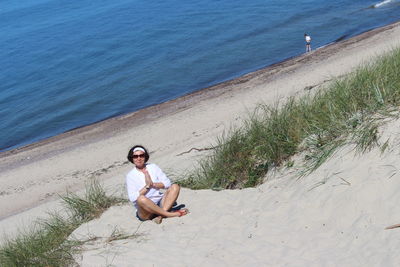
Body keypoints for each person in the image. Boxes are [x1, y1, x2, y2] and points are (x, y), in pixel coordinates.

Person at [126, 145, 189, 224]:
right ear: (132, 158)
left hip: (160, 204)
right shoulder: (130, 175)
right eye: (135, 156)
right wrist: (147, 186)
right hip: (146, 210)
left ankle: (161, 215)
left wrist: (153, 184)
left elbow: (168, 183)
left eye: (141, 155)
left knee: (175, 187)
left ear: (145, 157)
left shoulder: (153, 167)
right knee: (141, 199)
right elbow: (132, 197)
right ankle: (169, 214)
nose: (139, 158)